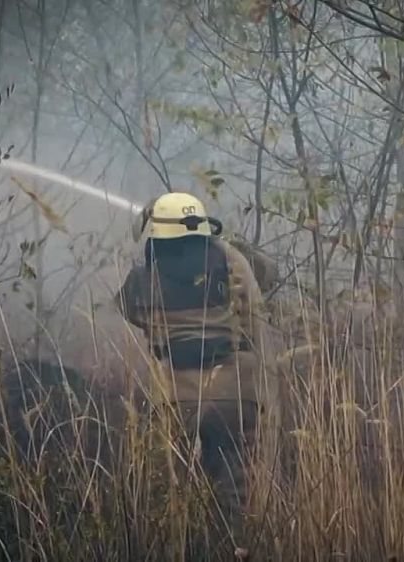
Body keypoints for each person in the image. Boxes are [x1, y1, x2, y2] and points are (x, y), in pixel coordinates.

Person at [114, 192, 280, 548]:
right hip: (237, 395)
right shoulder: (232, 260)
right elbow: (268, 275)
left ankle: (176, 548)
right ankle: (230, 550)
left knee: (167, 489)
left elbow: (128, 308)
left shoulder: (143, 278)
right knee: (234, 490)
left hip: (177, 398)